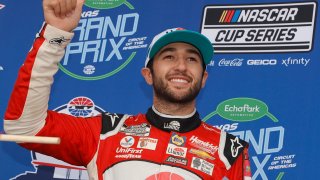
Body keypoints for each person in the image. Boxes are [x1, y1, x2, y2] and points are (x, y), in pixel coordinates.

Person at [4, 0, 251, 179]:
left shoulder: (229, 149)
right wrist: (56, 35)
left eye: (192, 59)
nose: (181, 66)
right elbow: (25, 128)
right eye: (168, 56)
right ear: (148, 74)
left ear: (204, 77)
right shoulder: (105, 133)